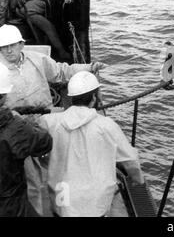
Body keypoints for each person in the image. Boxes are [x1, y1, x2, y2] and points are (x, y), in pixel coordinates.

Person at [0, 24, 104, 215]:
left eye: (12, 45)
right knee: (32, 180)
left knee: (57, 171)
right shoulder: (1, 72)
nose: (8, 50)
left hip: (46, 125)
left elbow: (61, 71)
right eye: (3, 47)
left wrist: (89, 67)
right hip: (18, 132)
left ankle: (62, 207)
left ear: (21, 44)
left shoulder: (37, 60)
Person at [39, 71, 144, 217]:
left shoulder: (49, 122)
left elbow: (40, 153)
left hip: (62, 196)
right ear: (94, 97)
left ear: (71, 98)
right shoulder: (107, 126)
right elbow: (130, 162)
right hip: (94, 203)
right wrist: (137, 180)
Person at [0, 62, 52, 217]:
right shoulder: (14, 128)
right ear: (3, 97)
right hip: (9, 204)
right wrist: (24, 122)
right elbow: (44, 142)